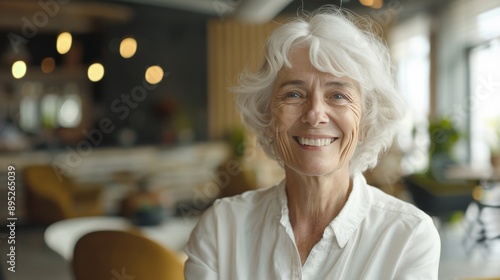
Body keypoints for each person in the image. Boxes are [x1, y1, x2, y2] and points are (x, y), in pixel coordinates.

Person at [184, 7, 440, 280]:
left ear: (365, 122)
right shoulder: (221, 228)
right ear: (268, 116)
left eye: (338, 95)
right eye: (294, 94)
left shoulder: (408, 236)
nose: (315, 114)